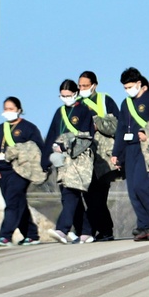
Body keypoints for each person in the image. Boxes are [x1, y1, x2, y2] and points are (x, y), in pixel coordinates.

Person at [111, 68, 149, 241]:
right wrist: (116, 153)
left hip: (146, 149)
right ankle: (143, 224)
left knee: (144, 186)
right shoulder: (125, 104)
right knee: (133, 189)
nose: (128, 90)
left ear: (139, 84)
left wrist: (148, 133)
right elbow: (121, 129)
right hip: (130, 149)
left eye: (130, 86)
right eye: (125, 87)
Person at [45, 79, 95, 244]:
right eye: (62, 96)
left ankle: (62, 229)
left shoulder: (84, 111)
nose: (66, 98)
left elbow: (87, 137)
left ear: (76, 94)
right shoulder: (59, 112)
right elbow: (52, 134)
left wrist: (66, 145)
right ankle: (85, 231)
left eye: (68, 95)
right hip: (62, 162)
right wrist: (45, 160)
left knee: (71, 193)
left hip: (78, 159)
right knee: (69, 197)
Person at [0, 97, 44, 247]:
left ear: (19, 110)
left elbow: (38, 148)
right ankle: (31, 235)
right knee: (17, 202)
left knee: (13, 202)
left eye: (11, 109)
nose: (8, 112)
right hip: (3, 171)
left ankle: (5, 236)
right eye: (6, 109)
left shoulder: (29, 128)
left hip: (21, 171)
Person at [77, 71, 121, 241]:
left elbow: (117, 125)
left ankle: (104, 230)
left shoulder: (105, 100)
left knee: (99, 196)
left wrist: (97, 123)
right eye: (80, 86)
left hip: (103, 157)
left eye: (85, 86)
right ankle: (97, 230)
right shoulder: (76, 104)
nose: (82, 89)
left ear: (94, 85)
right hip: (83, 156)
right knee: (88, 196)